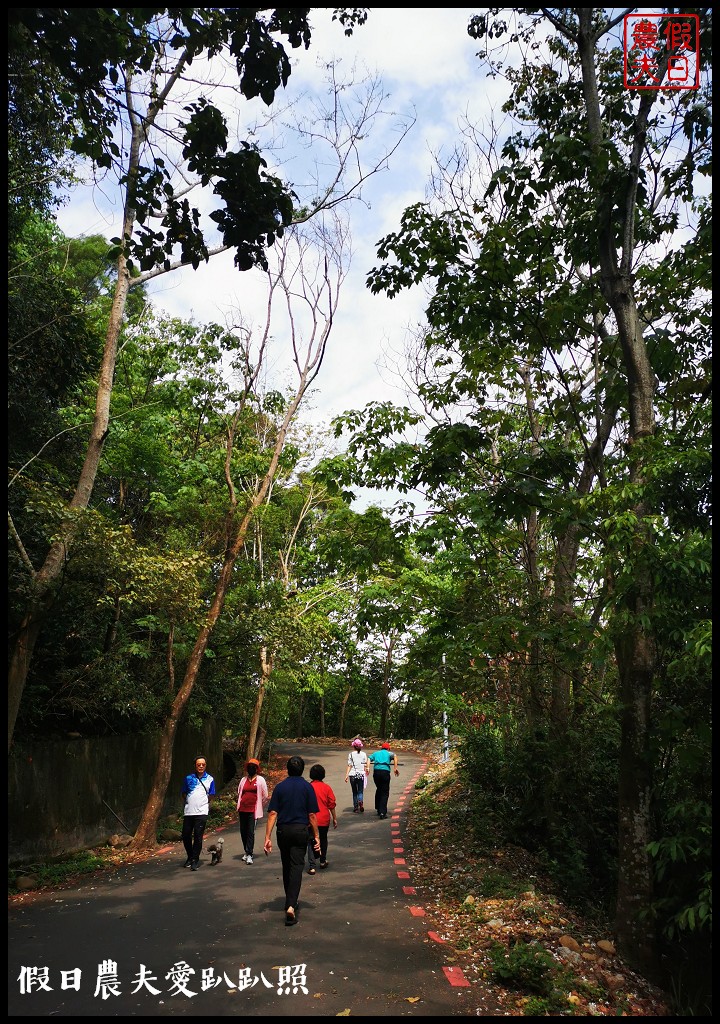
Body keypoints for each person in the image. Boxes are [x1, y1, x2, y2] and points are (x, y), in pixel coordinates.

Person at [264, 755, 321, 926]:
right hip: (300, 831)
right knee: (297, 866)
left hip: (283, 831)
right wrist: (316, 835)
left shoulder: (280, 788)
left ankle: (290, 900)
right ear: (302, 770)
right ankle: (290, 905)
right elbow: (311, 815)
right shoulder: (307, 788)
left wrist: (267, 837)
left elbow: (273, 813)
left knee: (286, 865)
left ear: (287, 770)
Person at [181, 755, 216, 870]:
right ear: (195, 765)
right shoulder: (188, 778)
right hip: (189, 812)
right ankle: (190, 856)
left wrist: (203, 804)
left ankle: (195, 859)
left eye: (203, 764)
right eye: (198, 764)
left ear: (205, 765)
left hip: (202, 812)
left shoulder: (210, 779)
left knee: (198, 836)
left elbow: (211, 795)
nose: (201, 766)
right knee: (186, 835)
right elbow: (184, 793)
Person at [236, 757, 268, 865]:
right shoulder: (243, 780)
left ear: (257, 769)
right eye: (249, 767)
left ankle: (250, 853)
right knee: (243, 831)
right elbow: (239, 792)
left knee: (250, 832)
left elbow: (265, 795)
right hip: (243, 809)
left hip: (253, 810)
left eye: (253, 767)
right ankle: (246, 850)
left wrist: (259, 805)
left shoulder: (260, 780)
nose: (251, 769)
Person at [306, 763, 337, 873]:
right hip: (324, 818)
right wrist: (334, 818)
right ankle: (323, 860)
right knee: (323, 838)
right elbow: (331, 804)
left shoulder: (308, 787)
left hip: (310, 818)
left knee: (311, 840)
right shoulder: (326, 787)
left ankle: (312, 865)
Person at [368, 741, 399, 819]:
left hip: (376, 773)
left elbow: (368, 759)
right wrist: (395, 768)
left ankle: (378, 808)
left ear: (381, 748)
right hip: (385, 772)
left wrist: (367, 767)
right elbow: (395, 756)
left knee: (379, 789)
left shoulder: (376, 753)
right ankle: (382, 812)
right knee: (384, 792)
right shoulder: (389, 753)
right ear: (388, 748)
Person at [344, 736, 369, 812]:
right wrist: (366, 772)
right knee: (360, 791)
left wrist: (346, 775)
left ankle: (355, 808)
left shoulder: (351, 754)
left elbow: (349, 765)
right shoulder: (364, 754)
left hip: (352, 775)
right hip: (361, 774)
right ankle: (360, 801)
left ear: (353, 746)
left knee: (354, 791)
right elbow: (365, 765)